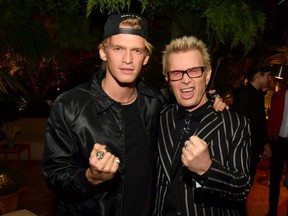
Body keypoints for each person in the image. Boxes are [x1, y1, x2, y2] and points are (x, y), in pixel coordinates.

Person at [41, 13, 226, 216]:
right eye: (118, 48)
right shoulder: (70, 105)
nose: (127, 59)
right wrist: (89, 177)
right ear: (103, 52)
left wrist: (210, 100)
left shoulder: (156, 101)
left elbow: (189, 97)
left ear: (145, 58)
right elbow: (54, 174)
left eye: (136, 51)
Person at [153, 35, 251, 216]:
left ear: (207, 75)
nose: (185, 80)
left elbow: (242, 188)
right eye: (176, 73)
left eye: (194, 71)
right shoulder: (159, 118)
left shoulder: (235, 124)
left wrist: (208, 169)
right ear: (168, 79)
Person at [233, 62, 272, 185]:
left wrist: (264, 143)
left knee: (248, 182)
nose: (269, 78)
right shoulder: (245, 94)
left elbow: (260, 122)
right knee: (242, 183)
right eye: (267, 75)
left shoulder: (259, 94)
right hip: (244, 150)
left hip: (253, 149)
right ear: (258, 76)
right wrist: (262, 145)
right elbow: (245, 125)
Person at [266, 75, 288, 216]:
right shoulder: (279, 95)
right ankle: (272, 211)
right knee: (274, 179)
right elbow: (272, 116)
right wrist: (269, 139)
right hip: (278, 142)